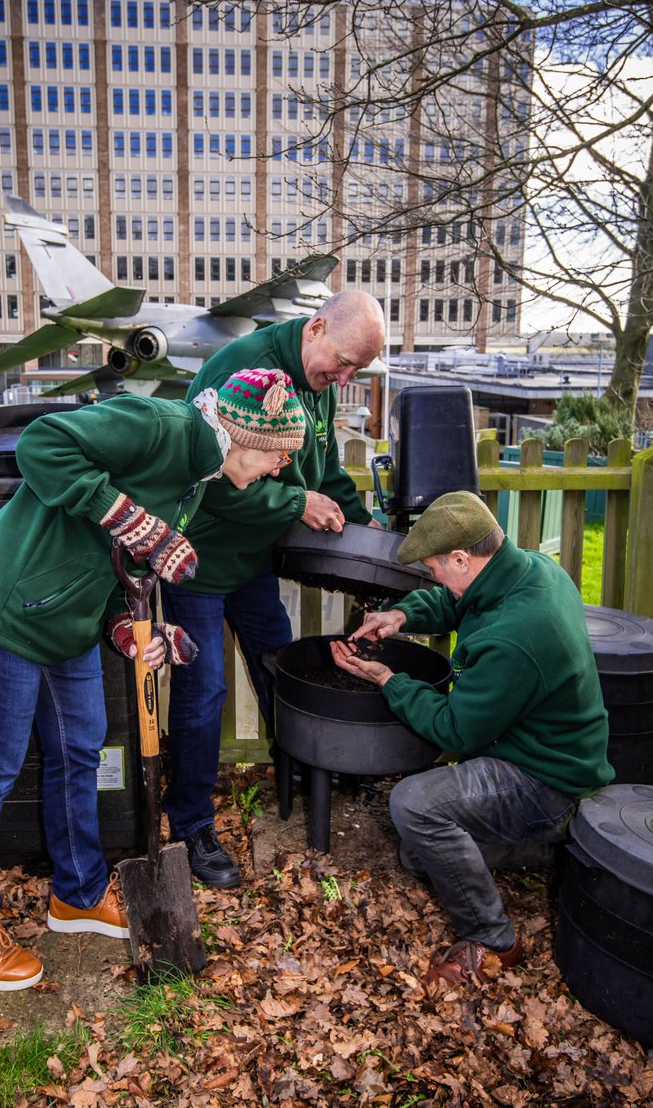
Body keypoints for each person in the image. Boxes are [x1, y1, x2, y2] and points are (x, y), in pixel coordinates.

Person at [0, 369, 306, 991]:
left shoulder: (197, 476)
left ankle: (77, 895)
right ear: (243, 436)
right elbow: (41, 445)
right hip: (6, 606)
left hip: (66, 620)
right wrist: (134, 519)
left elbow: (117, 558)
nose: (281, 471)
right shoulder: (158, 426)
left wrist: (127, 627)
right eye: (279, 456)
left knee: (81, 750)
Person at [331, 490, 613, 988]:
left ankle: (494, 938)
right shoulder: (526, 571)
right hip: (534, 751)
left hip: (545, 779)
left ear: (462, 557)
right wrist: (400, 617)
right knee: (417, 854)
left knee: (414, 805)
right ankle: (548, 851)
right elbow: (456, 600)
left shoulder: (518, 634)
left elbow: (456, 729)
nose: (434, 577)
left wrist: (387, 681)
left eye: (436, 568)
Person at [160, 291, 386, 889]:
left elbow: (326, 467)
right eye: (342, 364)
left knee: (279, 667)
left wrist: (362, 523)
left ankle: (300, 770)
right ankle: (190, 824)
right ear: (315, 328)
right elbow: (207, 475)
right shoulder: (242, 368)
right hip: (200, 560)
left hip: (252, 561)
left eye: (355, 371)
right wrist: (295, 501)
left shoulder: (321, 379)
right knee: (203, 693)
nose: (343, 378)